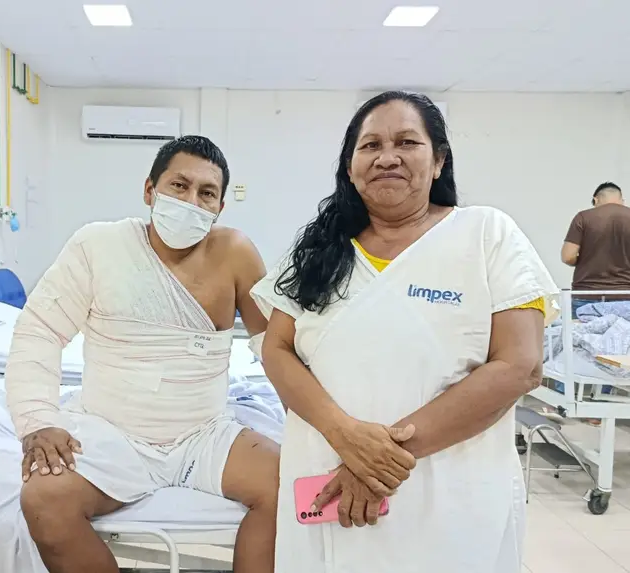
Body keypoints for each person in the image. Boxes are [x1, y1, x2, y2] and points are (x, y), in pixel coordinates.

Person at [252, 91, 558, 573]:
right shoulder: (317, 250)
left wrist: (378, 461)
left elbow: (520, 365)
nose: (387, 157)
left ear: (438, 161)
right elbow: (276, 348)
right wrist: (344, 435)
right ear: (351, 167)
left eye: (407, 142)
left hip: (447, 493)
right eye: (370, 145)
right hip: (326, 479)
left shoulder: (486, 234)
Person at [5, 135, 279, 573]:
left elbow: (276, 349)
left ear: (220, 207)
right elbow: (39, 330)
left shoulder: (236, 253)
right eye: (179, 186)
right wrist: (37, 421)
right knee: (43, 499)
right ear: (150, 190)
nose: (191, 201)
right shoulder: (98, 245)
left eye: (206, 193)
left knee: (292, 486)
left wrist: (322, 433)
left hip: (203, 434)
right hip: (110, 431)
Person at [562, 182, 630, 317]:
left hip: (586, 294)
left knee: (581, 331)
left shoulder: (583, 217)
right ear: (621, 199)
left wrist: (587, 259)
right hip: (625, 295)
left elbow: (567, 256)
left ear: (596, 199)